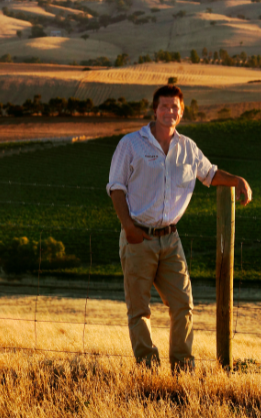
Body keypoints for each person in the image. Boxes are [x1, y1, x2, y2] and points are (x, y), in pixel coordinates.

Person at [106, 85, 252, 371]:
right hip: (138, 236)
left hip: (171, 239)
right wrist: (129, 227)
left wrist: (238, 180)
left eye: (175, 107)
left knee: (183, 305)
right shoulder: (131, 144)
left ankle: (182, 367)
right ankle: (148, 366)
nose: (169, 112)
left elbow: (209, 174)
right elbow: (116, 188)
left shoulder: (188, 148)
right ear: (154, 109)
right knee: (139, 310)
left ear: (181, 112)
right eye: (164, 106)